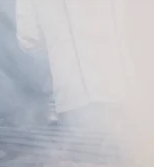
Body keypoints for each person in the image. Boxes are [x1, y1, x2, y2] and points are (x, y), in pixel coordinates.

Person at [15, 0, 135, 130]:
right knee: (129, 145)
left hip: (73, 97)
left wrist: (56, 61)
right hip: (122, 90)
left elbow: (29, 39)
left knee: (82, 146)